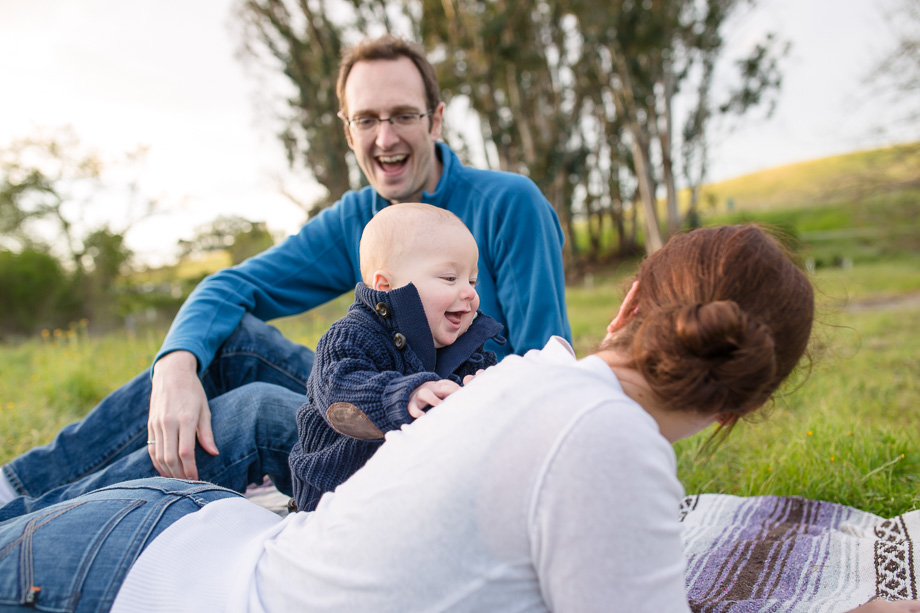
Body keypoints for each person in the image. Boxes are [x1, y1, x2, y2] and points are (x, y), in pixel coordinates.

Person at [4, 224, 914, 613]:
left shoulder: (536, 376)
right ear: (742, 406)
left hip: (176, 531)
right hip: (130, 574)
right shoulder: (610, 447)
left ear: (630, 300)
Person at [0, 34, 570, 516]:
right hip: (364, 393)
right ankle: (18, 494)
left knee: (248, 412)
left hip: (446, 422)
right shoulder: (357, 219)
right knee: (224, 345)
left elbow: (547, 359)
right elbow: (229, 286)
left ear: (436, 119)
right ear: (349, 131)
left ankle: (44, 523)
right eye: (367, 119)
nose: (386, 137)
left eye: (403, 115)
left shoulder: (507, 203)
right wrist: (175, 366)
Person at [288, 202, 503, 511]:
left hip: (407, 496)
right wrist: (402, 396)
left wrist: (488, 388)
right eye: (449, 278)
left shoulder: (464, 346)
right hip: (334, 502)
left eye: (472, 281)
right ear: (387, 286)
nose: (469, 293)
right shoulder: (352, 336)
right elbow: (337, 394)